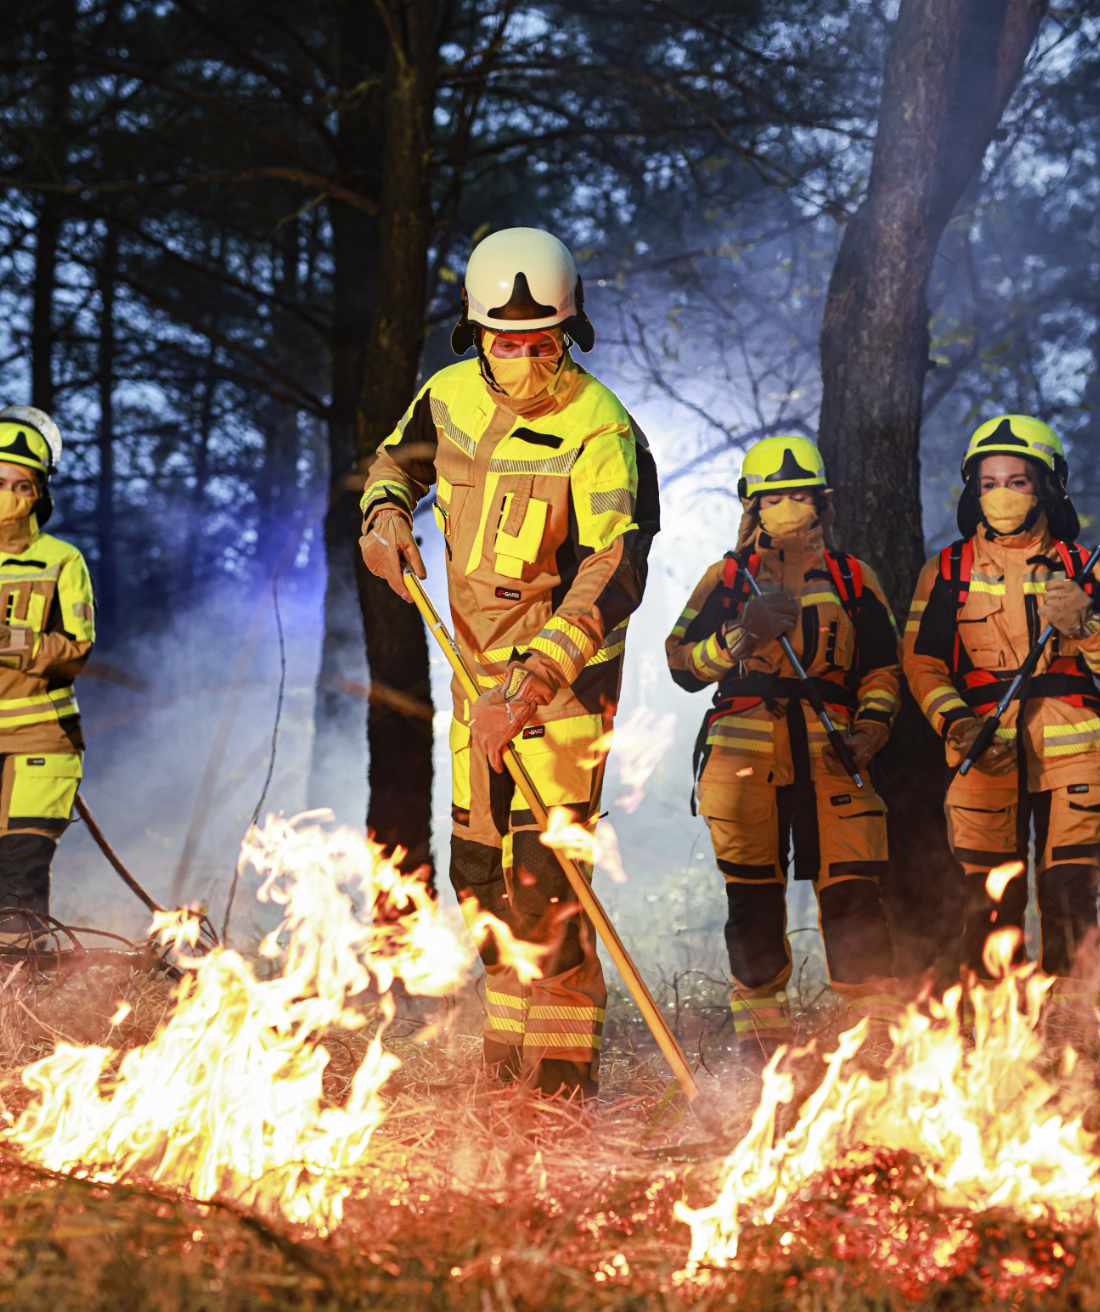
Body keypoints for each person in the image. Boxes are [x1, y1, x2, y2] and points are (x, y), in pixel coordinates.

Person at [359, 227, 659, 1098]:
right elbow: (395, 465)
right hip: (471, 683)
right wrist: (383, 517)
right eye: (503, 339)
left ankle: (563, 1077)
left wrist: (531, 684)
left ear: (570, 332)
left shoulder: (602, 430)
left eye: (540, 340)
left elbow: (614, 569)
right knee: (480, 879)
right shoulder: (445, 397)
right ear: (474, 334)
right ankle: (505, 1063)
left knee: (546, 885)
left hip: (561, 692)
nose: (522, 355)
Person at [666, 435, 899, 1060]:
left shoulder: (853, 578)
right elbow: (682, 664)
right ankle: (764, 1065)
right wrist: (742, 636)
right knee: (754, 907)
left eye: (801, 496)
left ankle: (871, 1057)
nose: (790, 508)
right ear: (752, 506)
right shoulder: (725, 578)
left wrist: (872, 729)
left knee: (854, 901)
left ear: (821, 504)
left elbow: (882, 668)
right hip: (744, 763)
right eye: (775, 497)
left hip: (834, 756)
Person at [903, 414, 1100, 988]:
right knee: (990, 899)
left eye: (1017, 481)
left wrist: (1086, 626)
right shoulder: (946, 571)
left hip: (1077, 755)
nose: (1002, 495)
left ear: (1046, 486)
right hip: (985, 752)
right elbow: (921, 661)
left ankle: (1073, 1034)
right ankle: (997, 1031)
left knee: (1072, 895)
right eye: (989, 483)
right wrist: (956, 722)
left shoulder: (1084, 567)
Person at [0, 406, 94, 943]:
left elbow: (76, 649)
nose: (8, 494)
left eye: (21, 483)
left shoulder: (62, 561)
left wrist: (10, 642)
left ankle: (21, 1010)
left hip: (41, 745)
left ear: (38, 492)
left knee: (17, 878)